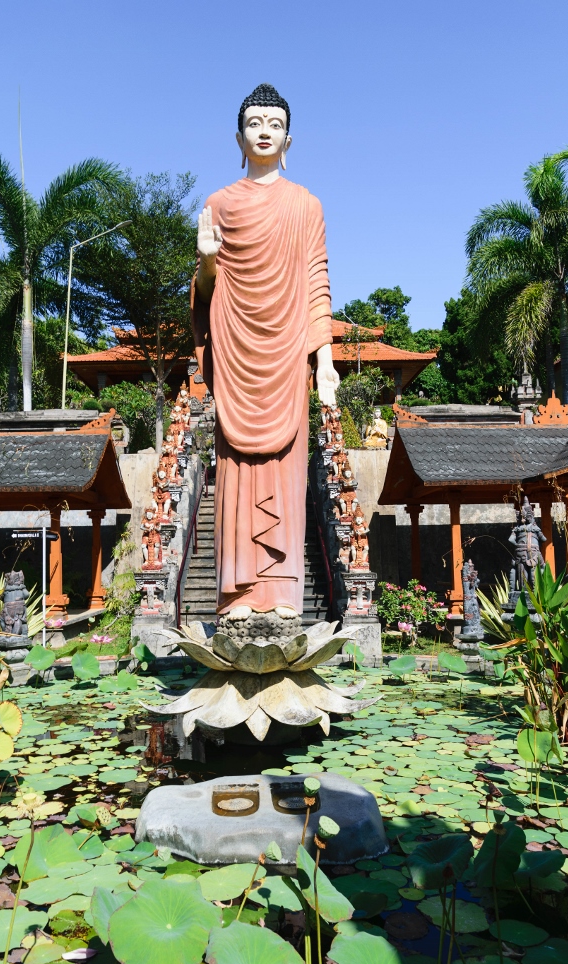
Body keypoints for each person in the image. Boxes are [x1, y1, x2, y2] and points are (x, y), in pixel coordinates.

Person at [192, 83, 339, 623]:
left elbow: (316, 281)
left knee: (284, 473)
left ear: (288, 138)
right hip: (235, 355)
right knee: (235, 473)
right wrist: (208, 261)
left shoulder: (306, 205)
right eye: (255, 122)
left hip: (286, 360)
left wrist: (325, 362)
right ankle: (235, 597)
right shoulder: (219, 204)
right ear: (238, 136)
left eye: (274, 124)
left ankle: (279, 597)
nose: (264, 131)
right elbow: (207, 296)